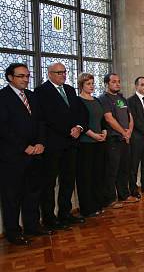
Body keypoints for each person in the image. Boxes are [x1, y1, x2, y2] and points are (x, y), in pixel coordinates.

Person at [0, 63, 50, 245]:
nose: (25, 79)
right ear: (10, 77)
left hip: (36, 154)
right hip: (13, 157)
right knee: (12, 196)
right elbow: (3, 128)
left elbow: (41, 122)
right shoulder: (2, 97)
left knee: (33, 193)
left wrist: (40, 143)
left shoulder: (32, 96)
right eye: (21, 76)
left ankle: (32, 226)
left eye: (27, 76)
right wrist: (24, 147)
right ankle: (13, 233)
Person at [35, 62, 88, 230]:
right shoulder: (41, 92)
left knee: (67, 181)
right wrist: (68, 130)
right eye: (59, 73)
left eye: (64, 72)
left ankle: (65, 214)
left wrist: (79, 128)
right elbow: (46, 118)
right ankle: (50, 219)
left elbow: (82, 112)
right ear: (49, 73)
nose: (63, 75)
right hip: (53, 145)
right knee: (49, 183)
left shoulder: (70, 90)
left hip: (72, 144)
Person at [99, 73, 138, 207]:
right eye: (114, 81)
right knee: (112, 170)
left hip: (125, 138)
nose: (117, 84)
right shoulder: (104, 98)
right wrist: (123, 132)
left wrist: (129, 132)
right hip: (113, 139)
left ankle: (124, 195)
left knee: (124, 169)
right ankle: (110, 199)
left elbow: (130, 117)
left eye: (119, 81)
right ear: (107, 84)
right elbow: (109, 118)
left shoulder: (122, 98)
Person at [77, 73, 107, 218]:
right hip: (86, 143)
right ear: (81, 85)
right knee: (86, 176)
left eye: (93, 83)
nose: (92, 86)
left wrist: (104, 131)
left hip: (99, 142)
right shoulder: (78, 101)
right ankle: (87, 208)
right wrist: (93, 135)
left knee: (98, 174)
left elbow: (103, 120)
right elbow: (81, 122)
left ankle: (98, 203)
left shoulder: (96, 100)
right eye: (88, 83)